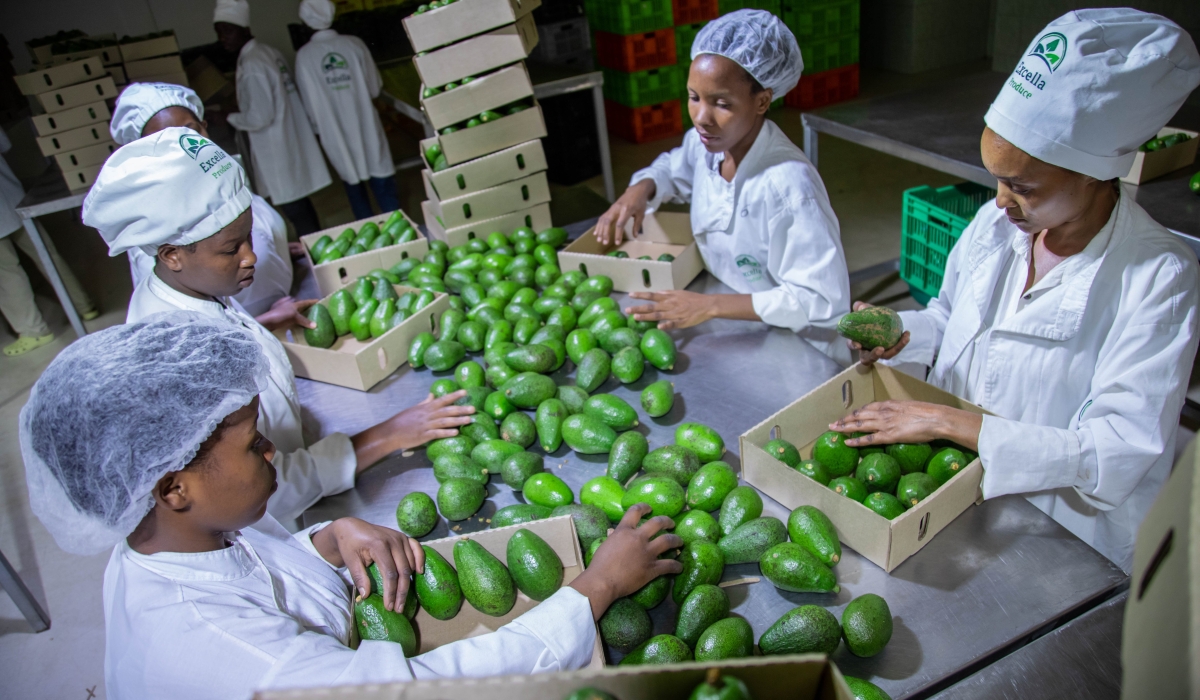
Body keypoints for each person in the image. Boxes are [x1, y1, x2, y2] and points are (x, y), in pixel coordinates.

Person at [20, 315, 683, 699]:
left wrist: (327, 540)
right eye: (255, 446)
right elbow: (426, 689)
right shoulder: (227, 656)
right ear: (173, 487)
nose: (275, 453)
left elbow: (256, 577)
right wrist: (594, 588)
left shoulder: (164, 540)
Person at [834, 9, 1200, 573]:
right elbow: (952, 316)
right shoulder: (997, 224)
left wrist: (955, 424)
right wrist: (905, 333)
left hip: (1064, 537)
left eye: (1022, 187)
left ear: (1093, 174)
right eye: (997, 180)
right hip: (949, 489)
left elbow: (1119, 449)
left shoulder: (1159, 278)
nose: (1002, 202)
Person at [82, 128, 475, 526]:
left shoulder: (189, 290)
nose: (251, 256)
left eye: (247, 237)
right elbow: (263, 485)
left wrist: (261, 324)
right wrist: (389, 434)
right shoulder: (177, 360)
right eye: (231, 248)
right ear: (172, 255)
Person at [595, 10, 850, 364]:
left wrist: (710, 305)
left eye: (722, 103)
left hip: (800, 347)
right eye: (693, 97)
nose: (701, 117)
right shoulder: (707, 145)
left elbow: (819, 299)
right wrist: (641, 188)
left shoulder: (789, 187)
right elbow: (673, 166)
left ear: (762, 101)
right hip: (737, 329)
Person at [110, 82, 300, 317]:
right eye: (164, 140)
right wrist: (268, 321)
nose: (185, 147)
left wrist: (274, 248)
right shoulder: (157, 226)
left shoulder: (221, 175)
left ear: (205, 126)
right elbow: (189, 319)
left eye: (191, 131)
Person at [214, 0, 332, 236]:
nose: (223, 38)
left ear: (244, 29)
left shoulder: (253, 63)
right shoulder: (268, 52)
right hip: (288, 140)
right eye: (219, 33)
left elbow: (260, 117)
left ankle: (315, 261)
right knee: (300, 206)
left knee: (296, 210)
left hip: (276, 149)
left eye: (228, 31)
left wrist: (229, 117)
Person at [294, 0, 400, 220]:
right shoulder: (354, 45)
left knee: (354, 189)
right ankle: (403, 232)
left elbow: (310, 109)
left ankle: (373, 243)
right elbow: (374, 88)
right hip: (366, 125)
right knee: (383, 185)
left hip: (335, 135)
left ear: (305, 22)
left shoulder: (305, 57)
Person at [0, 126, 98, 356]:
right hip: (12, 195)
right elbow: (5, 145)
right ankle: (84, 306)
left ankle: (33, 331)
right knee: (46, 254)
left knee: (6, 273)